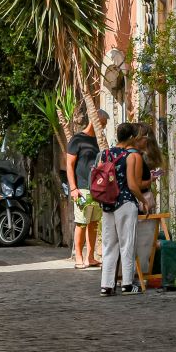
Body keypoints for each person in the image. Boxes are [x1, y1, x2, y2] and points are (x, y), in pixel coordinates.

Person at [98, 123, 149, 296]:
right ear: (131, 138)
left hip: (107, 203)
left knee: (109, 245)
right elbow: (133, 185)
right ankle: (127, 284)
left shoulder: (105, 154)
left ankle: (106, 285)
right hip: (125, 203)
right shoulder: (131, 156)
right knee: (127, 243)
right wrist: (143, 201)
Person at [66, 110, 106, 268]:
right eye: (102, 124)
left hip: (96, 188)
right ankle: (78, 257)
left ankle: (90, 257)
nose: (102, 127)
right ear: (95, 120)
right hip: (81, 188)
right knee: (81, 222)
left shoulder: (97, 142)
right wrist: (73, 188)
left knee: (94, 223)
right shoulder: (77, 139)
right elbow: (69, 164)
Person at [135, 122, 164, 211]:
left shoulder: (139, 155)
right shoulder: (140, 156)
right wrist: (150, 179)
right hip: (140, 199)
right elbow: (137, 184)